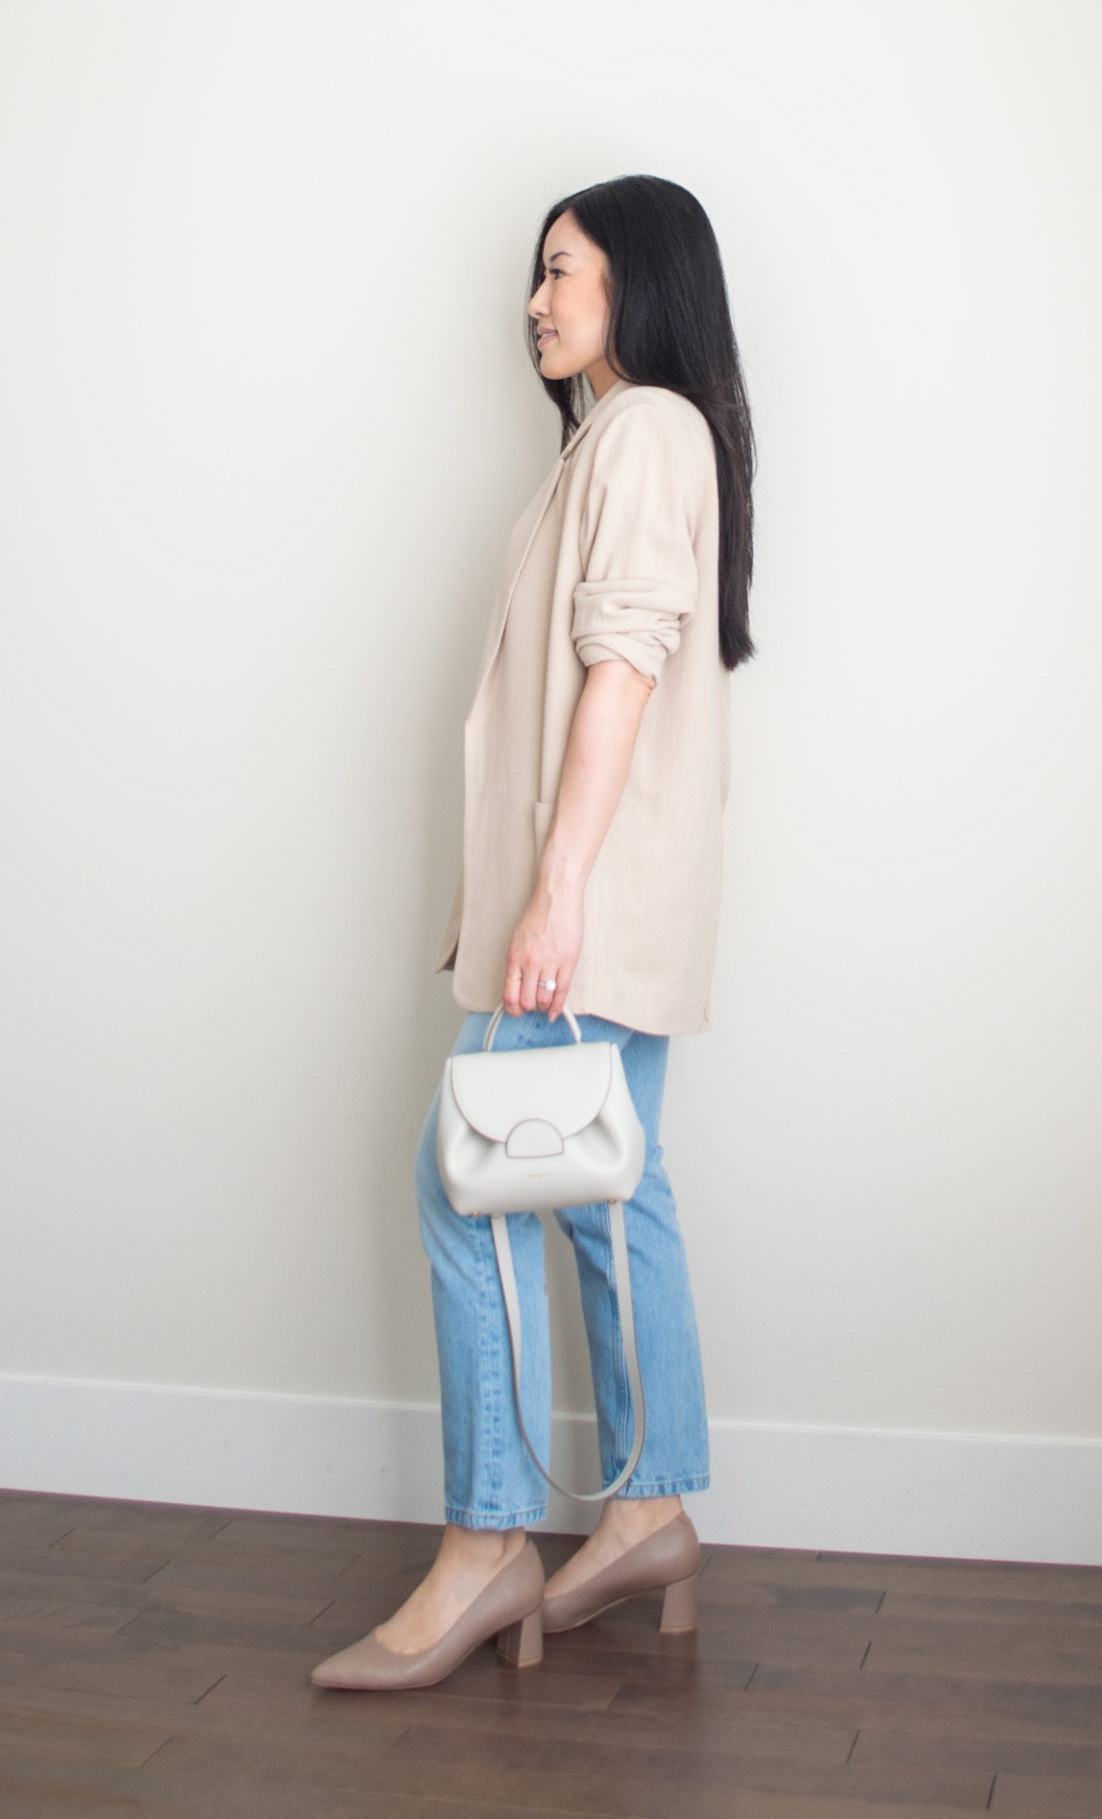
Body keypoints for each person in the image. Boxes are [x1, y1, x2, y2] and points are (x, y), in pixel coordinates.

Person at [312, 173, 755, 1691]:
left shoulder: (644, 434)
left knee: (468, 1182)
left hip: (587, 905)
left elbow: (621, 668)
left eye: (561, 271)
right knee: (607, 1198)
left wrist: (552, 891)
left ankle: (494, 1542)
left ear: (638, 275)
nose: (535, 301)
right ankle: (647, 1510)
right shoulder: (626, 444)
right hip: (612, 906)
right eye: (533, 276)